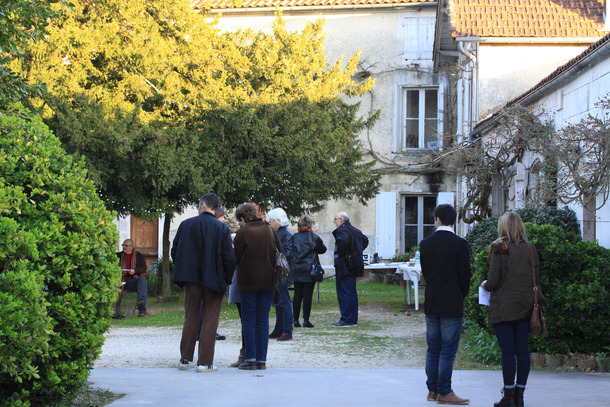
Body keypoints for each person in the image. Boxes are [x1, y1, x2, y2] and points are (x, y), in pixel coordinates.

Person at [482, 212, 544, 407]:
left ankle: (508, 397)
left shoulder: (500, 248)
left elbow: (493, 282)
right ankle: (520, 396)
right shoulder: (530, 248)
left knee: (508, 352)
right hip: (526, 306)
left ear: (504, 227)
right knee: (522, 351)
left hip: (504, 307)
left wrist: (483, 285)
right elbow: (535, 277)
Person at [171, 193, 236, 373]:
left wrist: (183, 269)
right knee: (210, 320)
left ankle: (185, 359)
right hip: (214, 280)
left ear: (204, 205)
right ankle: (204, 362)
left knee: (191, 317)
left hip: (191, 279)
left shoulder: (186, 225)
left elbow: (175, 250)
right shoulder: (221, 229)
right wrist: (227, 279)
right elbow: (228, 257)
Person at [419, 204, 471, 405]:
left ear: (437, 219)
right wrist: (460, 295)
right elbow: (465, 276)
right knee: (448, 349)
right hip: (452, 300)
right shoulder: (460, 244)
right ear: (454, 220)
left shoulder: (426, 244)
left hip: (432, 299)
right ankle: (444, 391)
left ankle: (432, 389)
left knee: (433, 348)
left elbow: (426, 273)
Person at [233, 203, 280, 370]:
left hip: (248, 282)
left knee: (249, 319)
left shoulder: (242, 233)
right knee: (262, 320)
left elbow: (236, 258)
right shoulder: (270, 230)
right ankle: (261, 360)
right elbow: (279, 253)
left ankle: (250, 358)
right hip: (268, 281)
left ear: (242, 218)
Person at [331, 211, 368, 327]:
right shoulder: (356, 230)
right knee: (351, 292)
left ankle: (346, 319)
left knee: (344, 292)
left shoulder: (342, 231)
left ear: (342, 220)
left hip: (344, 265)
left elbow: (344, 242)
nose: (334, 221)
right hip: (354, 264)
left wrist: (344, 254)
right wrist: (356, 252)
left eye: (335, 219)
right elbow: (365, 240)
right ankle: (352, 319)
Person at [291, 214, 327, 328]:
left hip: (297, 268)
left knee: (297, 295)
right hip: (309, 268)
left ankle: (295, 320)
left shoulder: (294, 237)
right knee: (307, 295)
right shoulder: (314, 237)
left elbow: (291, 251)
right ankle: (306, 320)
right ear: (310, 224)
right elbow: (323, 250)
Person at [267, 208, 294, 341]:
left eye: (270, 221)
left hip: (281, 271)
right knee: (278, 301)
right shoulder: (279, 233)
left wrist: (274, 257)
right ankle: (279, 329)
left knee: (284, 301)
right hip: (277, 270)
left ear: (277, 221)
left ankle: (287, 331)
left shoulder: (285, 234)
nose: (269, 223)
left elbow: (287, 254)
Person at [114, 239, 151, 318]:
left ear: (132, 247)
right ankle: (142, 309)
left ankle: (141, 305)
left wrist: (135, 271)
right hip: (122, 281)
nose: (124, 247)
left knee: (143, 279)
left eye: (126, 246)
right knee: (142, 283)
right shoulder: (118, 256)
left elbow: (143, 268)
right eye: (123, 245)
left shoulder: (139, 256)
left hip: (133, 281)